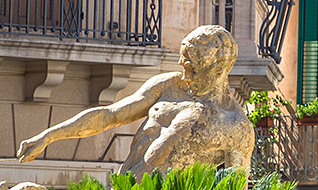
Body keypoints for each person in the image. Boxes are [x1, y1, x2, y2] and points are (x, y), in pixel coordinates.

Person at [16, 25, 254, 177]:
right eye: (183, 66)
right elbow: (111, 115)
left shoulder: (236, 127)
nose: (185, 76)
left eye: (193, 69)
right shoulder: (168, 86)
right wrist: (49, 136)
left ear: (218, 68)